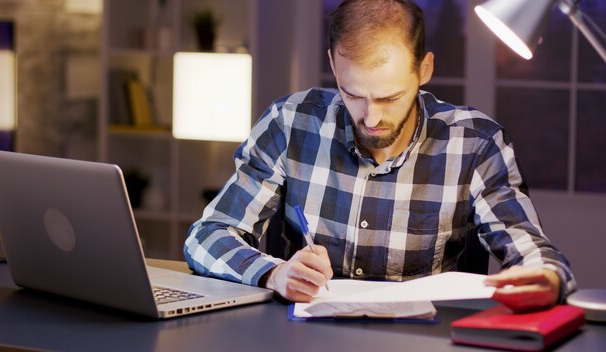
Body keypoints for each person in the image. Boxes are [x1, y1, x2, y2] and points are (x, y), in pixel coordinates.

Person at [184, 0, 576, 312]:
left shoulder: (475, 143)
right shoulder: (290, 123)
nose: (371, 117)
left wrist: (547, 278)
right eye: (352, 94)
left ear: (424, 69)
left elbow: (529, 249)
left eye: (389, 97)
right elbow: (208, 235)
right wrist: (274, 273)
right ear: (333, 64)